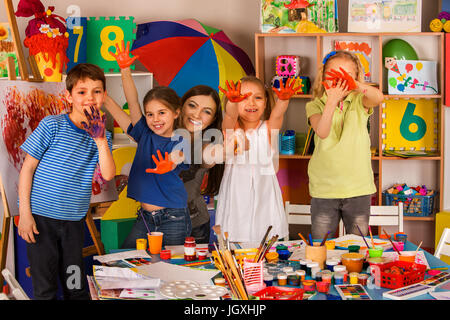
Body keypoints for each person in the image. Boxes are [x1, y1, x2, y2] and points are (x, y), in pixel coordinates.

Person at [17, 63, 116, 300]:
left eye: (97, 91)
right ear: (68, 95)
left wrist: (100, 139)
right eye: (82, 92)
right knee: (45, 287)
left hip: (73, 223)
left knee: (75, 285)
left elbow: (109, 174)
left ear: (104, 95)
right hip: (41, 222)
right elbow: (27, 169)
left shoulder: (104, 136)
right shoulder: (53, 125)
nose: (90, 98)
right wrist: (25, 213)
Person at [107, 41, 190, 248]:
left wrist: (170, 163)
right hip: (145, 217)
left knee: (170, 271)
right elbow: (132, 103)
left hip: (173, 218)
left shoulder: (181, 138)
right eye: (150, 114)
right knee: (127, 260)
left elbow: (179, 155)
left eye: (162, 113)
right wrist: (124, 70)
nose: (156, 119)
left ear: (176, 113)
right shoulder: (145, 134)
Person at [306, 50, 384, 239]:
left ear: (356, 78)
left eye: (346, 75)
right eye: (334, 74)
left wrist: (356, 85)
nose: (340, 80)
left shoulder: (360, 101)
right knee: (320, 247)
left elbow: (379, 97)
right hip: (324, 189)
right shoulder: (315, 105)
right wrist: (331, 101)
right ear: (324, 77)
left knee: (357, 248)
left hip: (358, 188)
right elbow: (322, 132)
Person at [214, 76, 299, 243]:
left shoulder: (268, 128)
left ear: (266, 102)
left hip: (264, 192)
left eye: (257, 98)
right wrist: (231, 102)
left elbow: (278, 114)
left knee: (265, 238)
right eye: (243, 98)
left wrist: (283, 100)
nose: (251, 103)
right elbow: (230, 116)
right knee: (235, 238)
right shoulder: (232, 128)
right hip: (236, 193)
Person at [178, 85, 225, 244]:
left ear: (212, 119)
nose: (197, 114)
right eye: (192, 105)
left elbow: (211, 155)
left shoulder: (207, 142)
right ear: (182, 105)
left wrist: (227, 149)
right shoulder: (162, 131)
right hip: (157, 223)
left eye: (207, 111)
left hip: (195, 226)